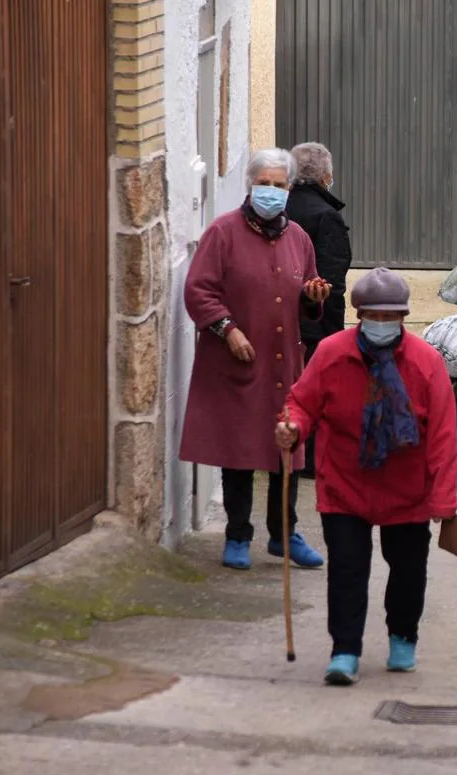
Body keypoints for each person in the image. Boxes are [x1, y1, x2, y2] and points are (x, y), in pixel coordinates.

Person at [275, 267, 457, 686]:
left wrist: (443, 500)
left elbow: (444, 438)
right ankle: (344, 650)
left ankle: (402, 637)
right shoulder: (331, 353)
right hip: (345, 483)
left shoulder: (426, 362)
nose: (381, 324)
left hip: (407, 488)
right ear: (359, 315)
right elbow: (301, 402)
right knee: (347, 569)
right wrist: (292, 426)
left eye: (390, 316)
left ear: (403, 316)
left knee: (409, 570)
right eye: (373, 316)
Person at [180, 148, 332, 570]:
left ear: (289, 189)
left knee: (286, 447)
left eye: (278, 185)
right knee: (240, 450)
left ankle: (283, 535)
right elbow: (199, 290)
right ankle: (238, 535)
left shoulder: (299, 238)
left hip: (284, 364)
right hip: (238, 360)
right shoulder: (222, 233)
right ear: (250, 186)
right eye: (263, 184)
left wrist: (312, 297)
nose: (270, 192)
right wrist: (227, 330)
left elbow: (304, 296)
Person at [287, 142, 353, 480]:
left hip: (283, 320)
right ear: (326, 175)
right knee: (315, 390)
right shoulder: (326, 215)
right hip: (316, 321)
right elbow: (332, 279)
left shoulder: (280, 207)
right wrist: (332, 329)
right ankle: (309, 460)